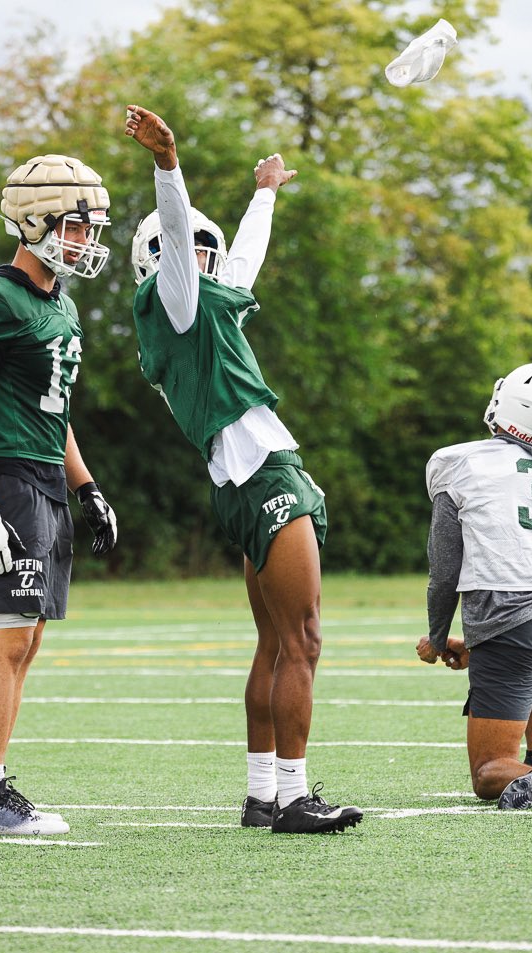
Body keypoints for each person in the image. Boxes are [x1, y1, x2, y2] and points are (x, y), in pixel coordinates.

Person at [125, 105, 362, 834]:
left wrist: (264, 193)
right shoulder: (176, 305)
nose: (198, 256)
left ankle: (263, 794)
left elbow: (242, 263)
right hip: (263, 476)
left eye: (204, 247)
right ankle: (292, 795)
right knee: (304, 642)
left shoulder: (204, 311)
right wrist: (168, 165)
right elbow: (178, 238)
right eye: (186, 249)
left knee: (275, 642)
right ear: (161, 261)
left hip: (241, 481)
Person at [0, 154, 118, 836]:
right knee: (7, 639)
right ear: (35, 220)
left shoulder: (63, 307)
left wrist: (88, 486)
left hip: (43, 477)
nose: (85, 240)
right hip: (5, 478)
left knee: (29, 640)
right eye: (76, 226)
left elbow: (55, 412)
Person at [416, 362, 532, 809]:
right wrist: (480, 642)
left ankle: (530, 771)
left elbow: (445, 570)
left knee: (488, 773)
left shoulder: (458, 463)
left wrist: (437, 639)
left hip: (516, 624)